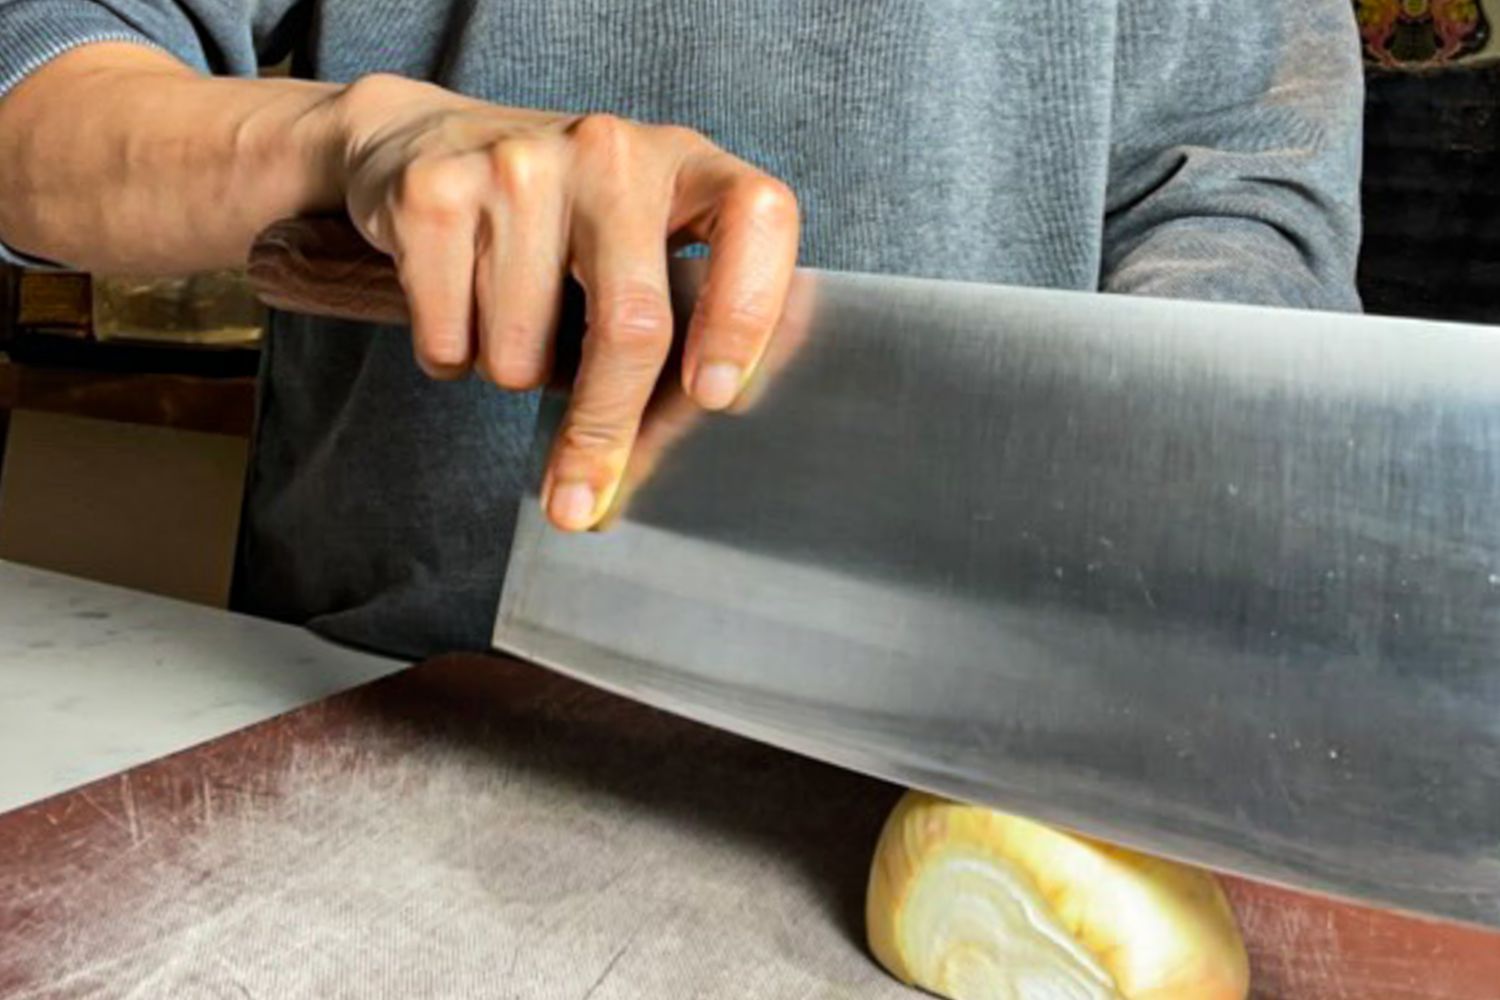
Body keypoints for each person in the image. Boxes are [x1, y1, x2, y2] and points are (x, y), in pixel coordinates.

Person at [0, 1, 1365, 659]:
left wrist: (1164, 476)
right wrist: (353, 137)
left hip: (988, 762)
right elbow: (32, 90)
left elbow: (1247, 182)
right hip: (377, 691)